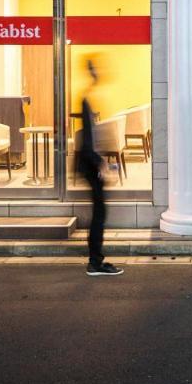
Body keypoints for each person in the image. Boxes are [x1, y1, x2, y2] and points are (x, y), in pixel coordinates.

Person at [77, 58, 123, 277]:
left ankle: (96, 260)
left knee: (99, 212)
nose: (101, 72)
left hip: (90, 164)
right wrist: (101, 165)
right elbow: (88, 143)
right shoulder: (88, 98)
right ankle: (95, 262)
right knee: (99, 213)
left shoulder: (91, 97)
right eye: (98, 69)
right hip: (89, 166)